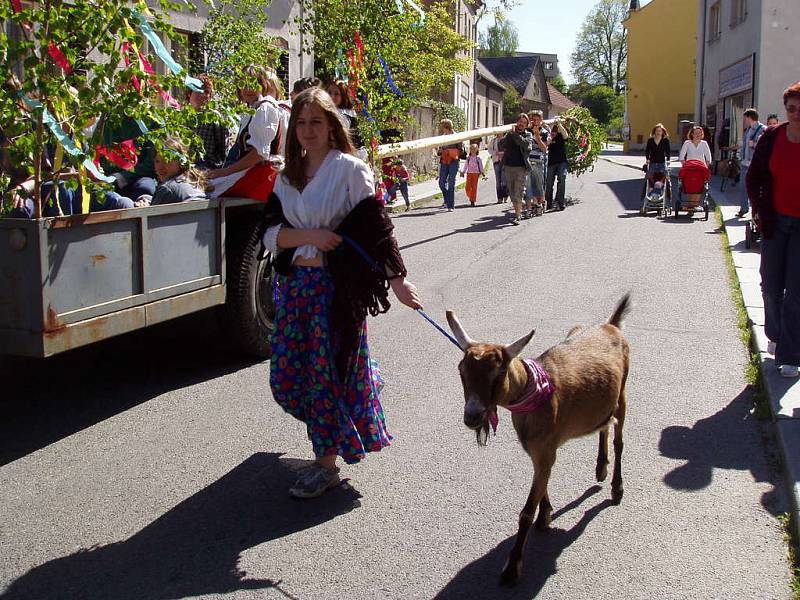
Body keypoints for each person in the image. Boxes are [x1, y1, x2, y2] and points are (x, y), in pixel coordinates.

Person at [260, 87, 423, 497]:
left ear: (332, 126)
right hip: (295, 290)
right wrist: (308, 235)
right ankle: (364, 380)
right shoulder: (285, 177)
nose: (308, 130)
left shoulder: (350, 169)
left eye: (316, 121)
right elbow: (268, 235)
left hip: (335, 293)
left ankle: (325, 464)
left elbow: (377, 230)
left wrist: (398, 281)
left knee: (324, 380)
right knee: (285, 379)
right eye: (301, 122)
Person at [746, 81, 800, 379]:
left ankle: (791, 354)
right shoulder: (772, 137)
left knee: (796, 291)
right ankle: (777, 335)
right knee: (769, 284)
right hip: (775, 221)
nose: (796, 114)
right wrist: (758, 208)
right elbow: (754, 176)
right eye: (791, 108)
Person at [207, 65, 283, 201]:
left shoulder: (265, 108)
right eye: (244, 84)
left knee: (206, 190)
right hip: (246, 172)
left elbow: (259, 154)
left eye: (253, 83)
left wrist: (226, 171)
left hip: (255, 176)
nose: (248, 89)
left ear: (262, 84)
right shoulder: (252, 109)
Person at [90, 116, 158, 212]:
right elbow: (96, 153)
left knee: (146, 187)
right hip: (110, 179)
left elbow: (151, 164)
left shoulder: (151, 120)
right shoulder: (106, 121)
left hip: (139, 177)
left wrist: (124, 176)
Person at [131, 136, 206, 207]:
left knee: (123, 202)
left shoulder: (167, 189)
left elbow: (151, 217)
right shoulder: (195, 182)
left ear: (181, 162)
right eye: (157, 161)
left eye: (166, 161)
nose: (160, 167)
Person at [188, 74, 230, 171]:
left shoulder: (214, 117)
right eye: (198, 90)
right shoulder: (181, 117)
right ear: (189, 93)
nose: (202, 95)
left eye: (206, 92)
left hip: (206, 167)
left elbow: (223, 150)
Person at [502, 113, 533, 225]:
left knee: (518, 191)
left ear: (527, 125)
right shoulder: (510, 134)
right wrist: (506, 135)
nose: (521, 124)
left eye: (524, 123)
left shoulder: (528, 135)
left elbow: (526, 145)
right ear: (517, 122)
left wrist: (514, 134)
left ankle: (518, 216)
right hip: (509, 166)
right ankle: (518, 210)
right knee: (511, 192)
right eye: (520, 121)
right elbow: (502, 145)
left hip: (521, 168)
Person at [736, 108, 766, 218]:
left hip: (755, 164)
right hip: (745, 163)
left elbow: (763, 146)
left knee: (756, 189)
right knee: (743, 186)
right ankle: (743, 209)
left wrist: (753, 144)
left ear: (749, 117)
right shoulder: (748, 130)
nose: (744, 120)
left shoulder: (762, 129)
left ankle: (756, 212)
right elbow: (745, 144)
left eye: (745, 118)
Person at [327, 80, 364, 156]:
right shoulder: (335, 112)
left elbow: (338, 141)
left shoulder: (342, 115)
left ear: (343, 96)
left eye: (336, 94)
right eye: (329, 93)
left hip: (350, 156)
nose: (332, 96)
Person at [525, 110, 549, 216]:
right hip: (528, 161)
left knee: (539, 184)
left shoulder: (544, 132)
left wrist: (537, 136)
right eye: (533, 119)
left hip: (539, 161)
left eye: (537, 120)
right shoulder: (527, 131)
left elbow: (544, 148)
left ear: (541, 120)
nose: (535, 122)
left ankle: (540, 203)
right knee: (529, 185)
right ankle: (533, 205)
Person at [436, 119, 461, 212]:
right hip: (444, 161)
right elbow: (439, 151)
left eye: (443, 127)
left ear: (447, 127)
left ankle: (450, 205)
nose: (442, 129)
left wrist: (450, 152)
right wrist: (440, 151)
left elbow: (461, 150)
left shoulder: (456, 136)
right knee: (441, 183)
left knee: (451, 183)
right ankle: (447, 200)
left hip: (454, 161)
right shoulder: (442, 137)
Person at [545, 119, 569, 211]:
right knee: (549, 182)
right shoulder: (548, 134)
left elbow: (566, 136)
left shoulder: (562, 133)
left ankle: (560, 202)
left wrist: (560, 125)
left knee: (562, 178)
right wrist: (550, 137)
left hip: (562, 161)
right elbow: (546, 144)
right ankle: (548, 203)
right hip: (551, 162)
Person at [643, 123, 671, 199]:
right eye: (657, 131)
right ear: (654, 132)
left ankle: (665, 193)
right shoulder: (650, 140)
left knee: (666, 176)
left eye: (660, 131)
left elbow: (668, 151)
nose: (658, 132)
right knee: (648, 177)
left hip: (662, 162)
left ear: (662, 132)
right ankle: (650, 190)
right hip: (652, 162)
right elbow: (647, 151)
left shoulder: (665, 141)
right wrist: (647, 159)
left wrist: (668, 160)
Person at [487, 132, 508, 203]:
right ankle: (499, 197)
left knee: (504, 179)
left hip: (505, 161)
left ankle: (505, 195)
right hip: (496, 161)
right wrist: (494, 153)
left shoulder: (506, 140)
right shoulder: (493, 141)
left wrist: (503, 153)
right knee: (498, 180)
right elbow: (489, 149)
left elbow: (509, 149)